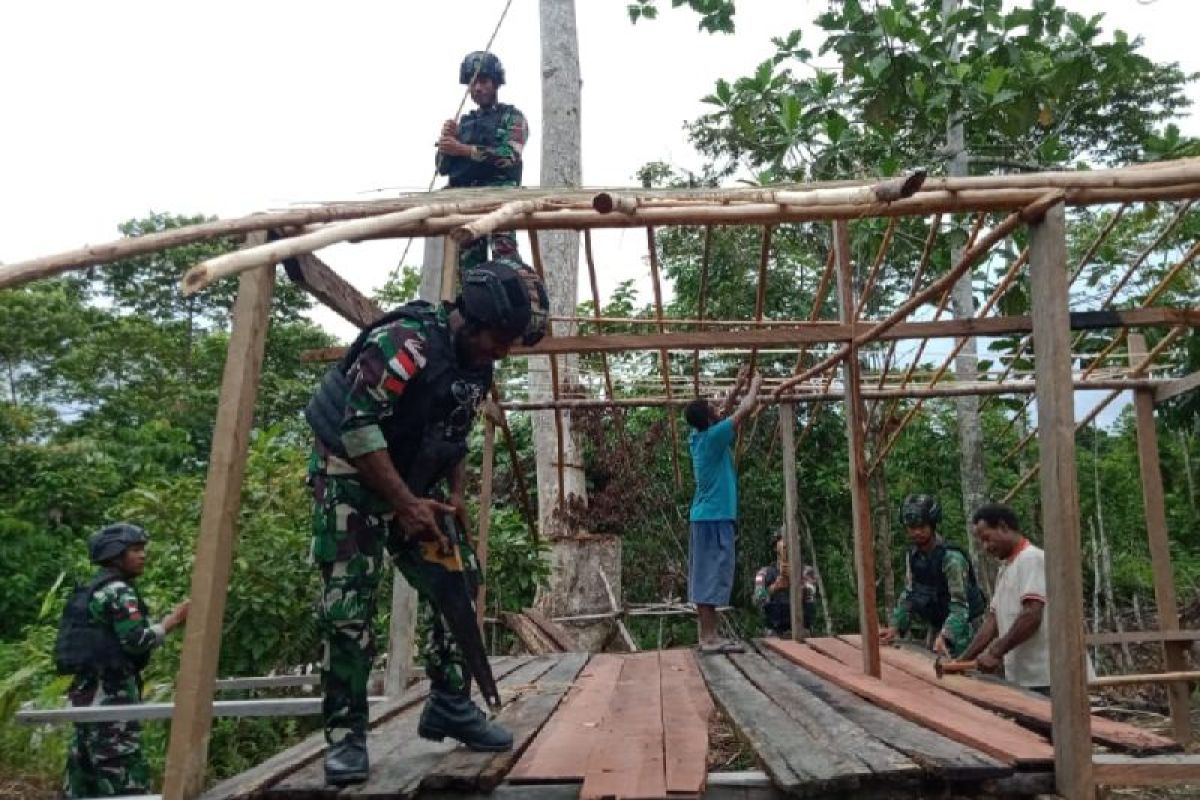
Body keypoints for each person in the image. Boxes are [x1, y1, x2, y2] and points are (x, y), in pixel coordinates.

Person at [304, 258, 549, 785]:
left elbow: (454, 431)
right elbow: (358, 427)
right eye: (499, 339)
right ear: (471, 322)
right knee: (348, 605)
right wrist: (403, 505)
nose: (504, 351)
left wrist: (453, 494)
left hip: (410, 476)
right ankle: (345, 737)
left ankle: (450, 702)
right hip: (349, 472)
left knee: (459, 578)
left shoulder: (477, 361)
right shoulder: (402, 345)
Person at [55, 523, 190, 799]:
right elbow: (137, 640)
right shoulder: (118, 591)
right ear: (116, 555)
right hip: (111, 694)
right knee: (122, 770)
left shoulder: (91, 589)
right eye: (135, 550)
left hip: (84, 694)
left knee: (84, 771)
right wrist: (171, 622)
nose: (143, 556)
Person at [959, 503, 1094, 692]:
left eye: (987, 538)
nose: (986, 546)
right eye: (981, 542)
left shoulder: (1031, 559)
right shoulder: (1006, 569)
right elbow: (992, 623)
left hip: (1051, 676)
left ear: (1003, 527)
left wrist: (995, 652)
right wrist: (961, 661)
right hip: (1027, 679)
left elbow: (1032, 615)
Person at [684, 368, 761, 654]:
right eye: (712, 408)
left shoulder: (701, 436)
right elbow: (745, 409)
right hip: (712, 517)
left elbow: (724, 409)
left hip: (710, 517)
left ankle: (709, 636)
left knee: (712, 573)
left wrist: (739, 384)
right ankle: (708, 638)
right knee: (710, 575)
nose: (718, 408)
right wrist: (754, 385)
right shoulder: (713, 438)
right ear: (708, 419)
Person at [437, 51, 529, 274]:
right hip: (466, 200)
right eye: (472, 83)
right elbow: (442, 168)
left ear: (495, 83)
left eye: (483, 82)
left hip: (500, 197)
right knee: (469, 269)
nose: (477, 88)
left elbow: (509, 155)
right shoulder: (464, 124)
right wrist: (446, 143)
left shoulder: (512, 117)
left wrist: (463, 149)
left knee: (505, 257)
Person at [878, 494, 987, 658]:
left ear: (932, 525)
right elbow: (910, 593)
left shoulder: (951, 559)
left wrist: (946, 636)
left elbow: (960, 606)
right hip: (937, 625)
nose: (916, 532)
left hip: (966, 630)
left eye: (922, 527)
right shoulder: (913, 555)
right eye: (911, 527)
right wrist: (894, 626)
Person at [753, 530, 817, 636]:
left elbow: (810, 595)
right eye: (782, 539)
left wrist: (794, 582)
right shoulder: (763, 573)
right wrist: (774, 588)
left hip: (803, 633)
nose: (787, 544)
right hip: (773, 633)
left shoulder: (807, 571)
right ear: (775, 547)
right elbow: (757, 601)